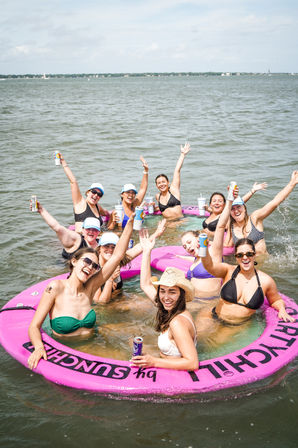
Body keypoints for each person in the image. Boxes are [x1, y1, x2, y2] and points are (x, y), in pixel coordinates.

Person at [27, 216, 134, 370]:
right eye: (87, 262)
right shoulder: (55, 288)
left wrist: (130, 223)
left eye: (95, 266)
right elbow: (34, 326)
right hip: (67, 350)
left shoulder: (89, 288)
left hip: (95, 341)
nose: (90, 267)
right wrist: (38, 347)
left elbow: (117, 256)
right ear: (74, 261)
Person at [200, 196, 295, 326]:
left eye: (249, 254)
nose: (245, 258)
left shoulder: (266, 280)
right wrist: (203, 249)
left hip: (237, 326)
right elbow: (209, 266)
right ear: (236, 256)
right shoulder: (228, 270)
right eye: (240, 255)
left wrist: (282, 310)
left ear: (254, 255)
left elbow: (275, 300)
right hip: (212, 316)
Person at [130, 230, 198, 371]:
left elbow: (192, 363)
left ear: (181, 294)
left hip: (176, 381)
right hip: (168, 363)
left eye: (172, 292)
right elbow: (145, 284)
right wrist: (147, 250)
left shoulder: (177, 322)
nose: (166, 297)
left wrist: (153, 361)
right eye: (162, 291)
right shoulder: (169, 307)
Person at [93, 219, 166, 304]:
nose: (110, 250)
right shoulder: (95, 269)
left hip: (121, 298)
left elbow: (139, 247)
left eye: (114, 247)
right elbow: (101, 303)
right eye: (106, 246)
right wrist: (110, 279)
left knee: (154, 303)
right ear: (99, 248)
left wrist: (157, 233)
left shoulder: (117, 261)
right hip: (109, 307)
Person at [225, 171, 298, 255]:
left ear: (244, 208)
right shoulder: (231, 226)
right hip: (244, 265)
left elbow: (275, 202)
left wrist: (292, 183)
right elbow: (226, 245)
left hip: (263, 264)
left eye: (238, 207)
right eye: (232, 209)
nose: (236, 211)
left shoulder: (255, 218)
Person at [30, 199, 101, 259]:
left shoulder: (101, 244)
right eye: (88, 229)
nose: (91, 232)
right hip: (63, 266)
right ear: (83, 230)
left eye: (94, 229)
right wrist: (41, 210)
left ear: (98, 232)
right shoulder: (77, 240)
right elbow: (57, 228)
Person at [60, 153, 109, 233]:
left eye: (99, 194)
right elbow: (73, 182)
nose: (96, 195)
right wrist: (63, 162)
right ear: (88, 192)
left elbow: (105, 213)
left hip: (95, 239)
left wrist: (112, 214)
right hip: (81, 240)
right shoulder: (80, 203)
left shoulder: (97, 207)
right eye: (94, 192)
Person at [202, 182, 267, 238]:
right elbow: (213, 211)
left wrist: (253, 190)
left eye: (220, 201)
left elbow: (241, 201)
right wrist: (208, 209)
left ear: (225, 205)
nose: (217, 203)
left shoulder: (225, 215)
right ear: (210, 204)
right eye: (214, 201)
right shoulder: (211, 212)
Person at [108, 156, 149, 230]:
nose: (131, 195)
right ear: (122, 194)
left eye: (133, 193)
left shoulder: (135, 205)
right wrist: (113, 222)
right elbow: (109, 230)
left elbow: (143, 189)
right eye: (128, 192)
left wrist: (146, 171)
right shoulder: (117, 212)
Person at [180, 230, 222, 299]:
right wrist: (180, 257)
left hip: (207, 301)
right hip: (192, 299)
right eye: (184, 247)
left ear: (198, 239)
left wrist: (205, 242)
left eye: (189, 242)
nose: (187, 247)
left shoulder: (213, 252)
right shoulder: (196, 260)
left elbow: (220, 228)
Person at [154, 143, 191, 220]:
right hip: (167, 223)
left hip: (179, 221)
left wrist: (182, 154)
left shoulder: (174, 190)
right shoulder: (158, 196)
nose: (161, 184)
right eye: (159, 183)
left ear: (168, 183)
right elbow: (164, 209)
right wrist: (153, 208)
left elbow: (177, 170)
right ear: (156, 185)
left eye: (163, 182)